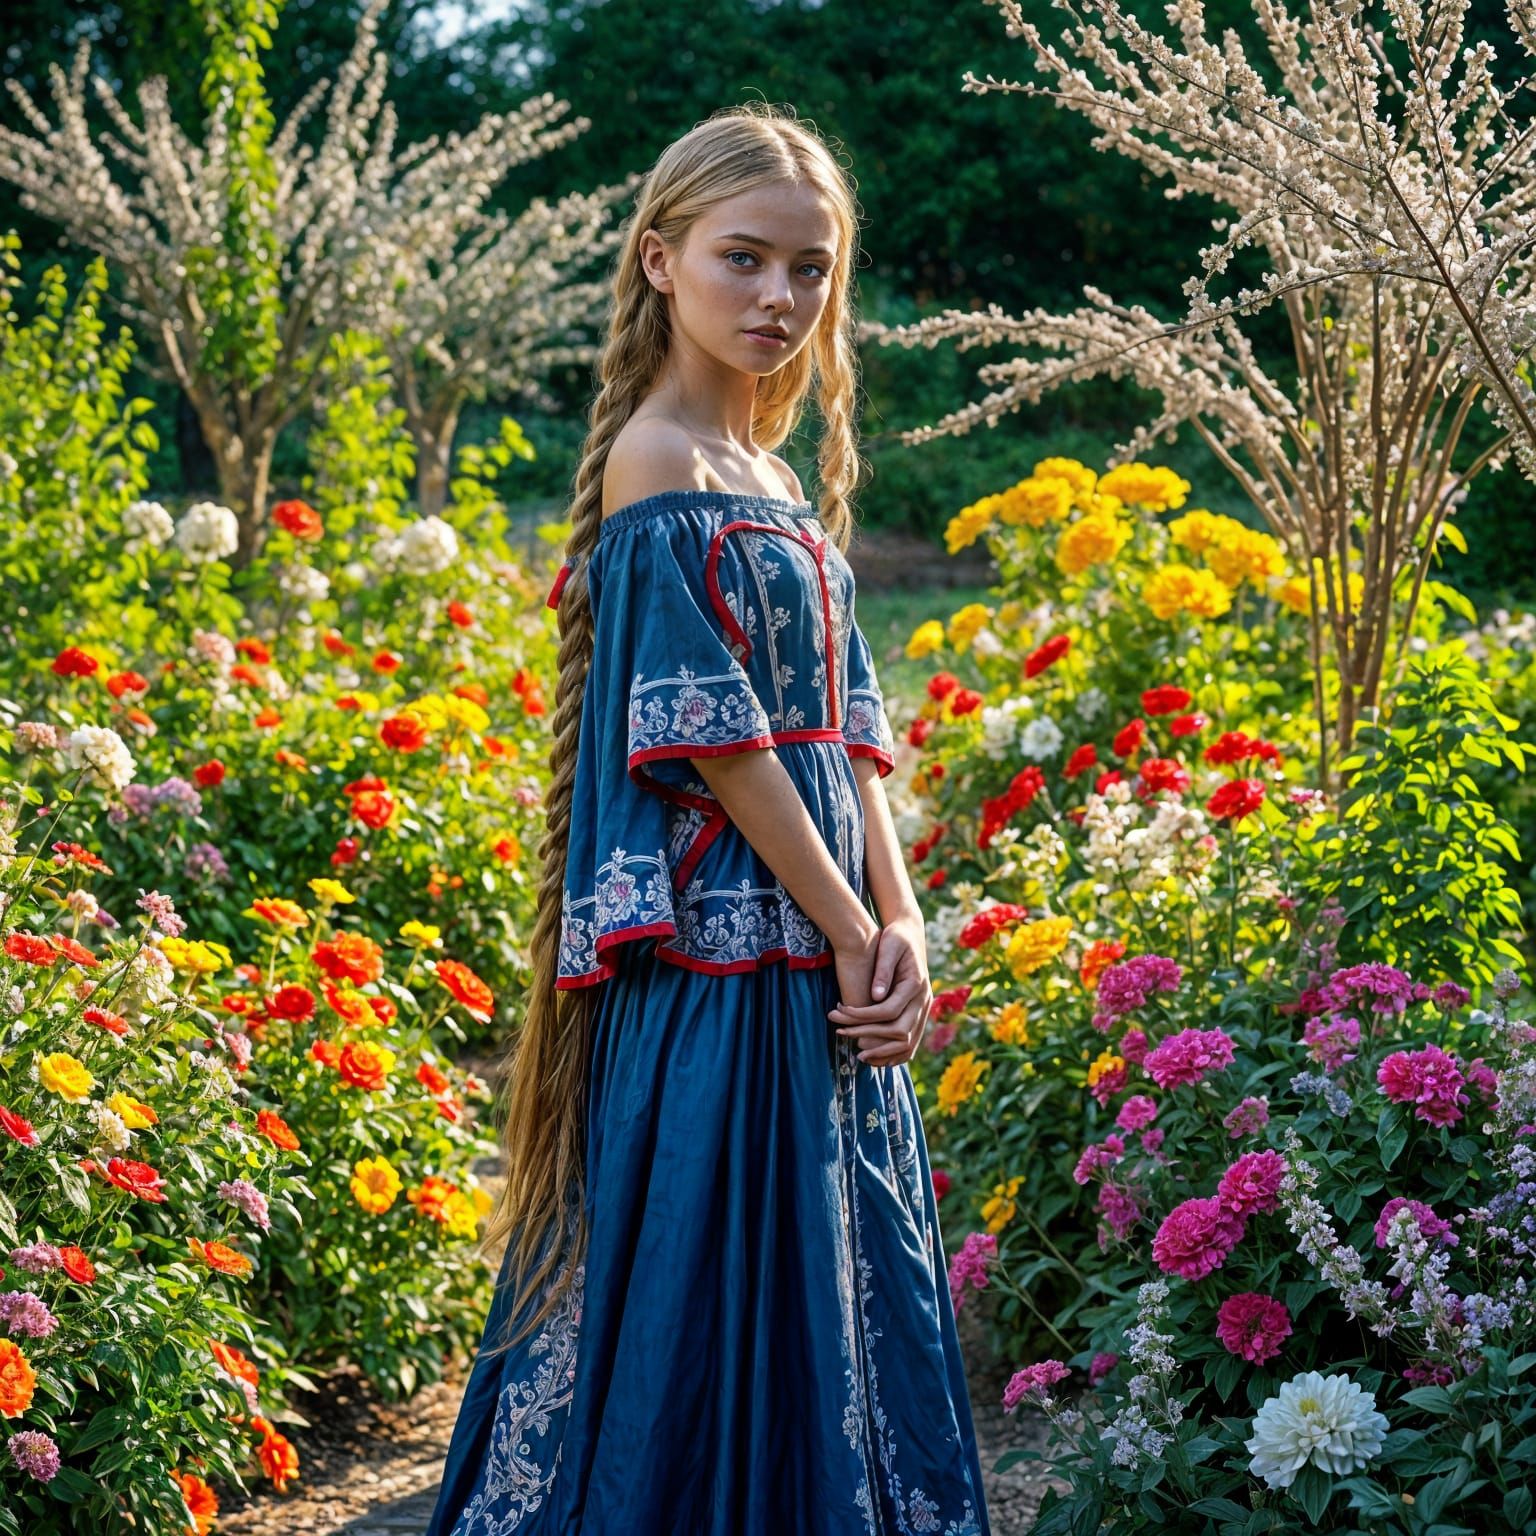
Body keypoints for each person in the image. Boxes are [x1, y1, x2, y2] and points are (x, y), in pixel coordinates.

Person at [423, 102, 990, 1536]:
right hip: (725, 967)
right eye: (745, 260)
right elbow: (720, 746)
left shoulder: (781, 482)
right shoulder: (659, 464)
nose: (780, 299)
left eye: (810, 270)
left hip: (826, 955)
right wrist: (852, 925)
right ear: (659, 260)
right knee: (702, 1274)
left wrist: (904, 916)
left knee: (833, 1282)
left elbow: (845, 723)